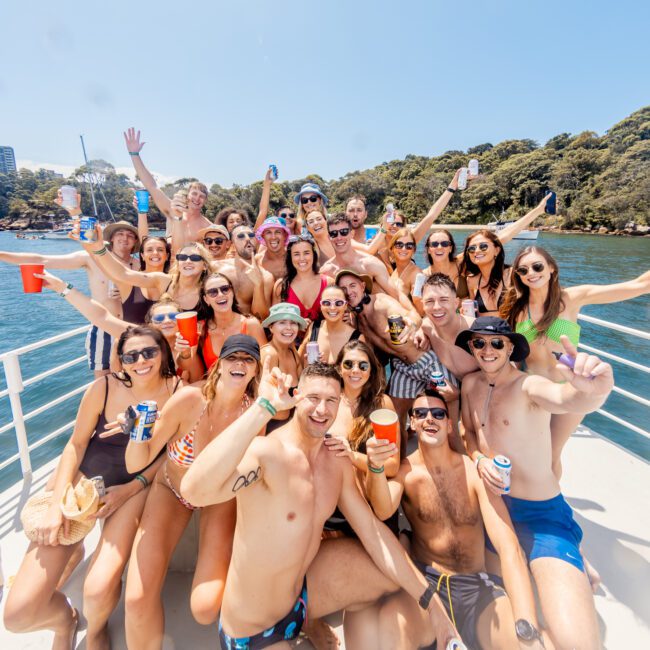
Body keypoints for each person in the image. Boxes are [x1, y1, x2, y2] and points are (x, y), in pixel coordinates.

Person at [181, 362, 460, 650]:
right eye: (313, 399)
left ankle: (365, 635)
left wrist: (434, 605)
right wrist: (263, 406)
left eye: (331, 401)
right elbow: (194, 491)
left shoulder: (335, 461)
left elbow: (373, 533)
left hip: (301, 596)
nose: (322, 410)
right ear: (297, 396)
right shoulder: (268, 454)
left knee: (394, 580)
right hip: (253, 629)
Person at [3, 327, 180, 650]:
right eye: (131, 356)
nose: (141, 361)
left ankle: (96, 629)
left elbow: (169, 452)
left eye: (150, 352)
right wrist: (57, 505)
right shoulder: (105, 387)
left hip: (131, 489)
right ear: (122, 362)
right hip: (82, 482)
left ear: (164, 353)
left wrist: (131, 489)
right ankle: (65, 620)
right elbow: (76, 443)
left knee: (97, 588)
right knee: (17, 615)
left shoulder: (178, 392)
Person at [458, 317, 613, 649]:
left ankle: (574, 555)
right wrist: (478, 459)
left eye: (497, 343)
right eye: (479, 343)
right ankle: (579, 563)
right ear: (471, 347)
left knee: (577, 644)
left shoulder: (527, 386)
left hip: (542, 519)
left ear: (511, 348)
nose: (487, 350)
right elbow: (469, 435)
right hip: (495, 514)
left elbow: (565, 398)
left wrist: (593, 392)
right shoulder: (469, 386)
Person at [365, 389, 545, 650]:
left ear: (449, 425)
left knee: (524, 643)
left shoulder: (472, 471)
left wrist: (527, 624)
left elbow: (509, 548)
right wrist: (376, 466)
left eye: (438, 414)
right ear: (412, 424)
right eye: (420, 413)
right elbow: (382, 510)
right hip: (428, 583)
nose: (430, 419)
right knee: (390, 622)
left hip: (478, 588)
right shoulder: (406, 470)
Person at [120, 335, 262, 650]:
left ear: (255, 370)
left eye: (248, 359)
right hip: (171, 490)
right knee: (136, 599)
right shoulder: (189, 401)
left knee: (205, 608)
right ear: (219, 364)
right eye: (232, 357)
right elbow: (137, 462)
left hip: (218, 498)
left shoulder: (253, 415)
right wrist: (136, 433)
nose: (239, 364)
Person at [500, 246, 650, 478]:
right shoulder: (517, 309)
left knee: (551, 455)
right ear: (518, 275)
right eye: (523, 269)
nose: (531, 272)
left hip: (569, 389)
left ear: (551, 268)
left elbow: (638, 285)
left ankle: (552, 504)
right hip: (533, 391)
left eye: (537, 266)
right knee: (531, 453)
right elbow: (514, 355)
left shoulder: (570, 298)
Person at [0, 201, 140, 377]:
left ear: (135, 242)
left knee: (134, 375)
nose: (124, 238)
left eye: (130, 235)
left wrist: (130, 289)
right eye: (120, 233)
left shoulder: (140, 265)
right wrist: (1, 254)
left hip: (131, 328)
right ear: (111, 238)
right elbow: (41, 259)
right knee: (103, 379)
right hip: (103, 328)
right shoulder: (92, 259)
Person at [336, 269, 438, 439]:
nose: (349, 292)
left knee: (443, 411)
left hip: (426, 359)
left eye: (352, 285)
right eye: (343, 289)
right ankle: (400, 459)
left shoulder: (381, 302)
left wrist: (411, 324)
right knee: (393, 420)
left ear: (362, 286)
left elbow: (411, 316)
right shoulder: (357, 320)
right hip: (403, 368)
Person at [33, 270, 189, 369]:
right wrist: (62, 287)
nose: (167, 320)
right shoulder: (142, 337)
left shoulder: (190, 341)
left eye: (174, 316)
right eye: (160, 318)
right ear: (150, 323)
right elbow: (102, 316)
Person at [78, 223, 212, 312]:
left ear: (204, 265)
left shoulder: (210, 289)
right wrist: (98, 248)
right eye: (182, 258)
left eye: (194, 258)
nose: (188, 261)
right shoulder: (165, 281)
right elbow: (123, 274)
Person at [460, 194, 552, 316]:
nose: (477, 251)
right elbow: (473, 315)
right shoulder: (471, 281)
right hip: (483, 333)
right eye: (471, 248)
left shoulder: (512, 275)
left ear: (496, 251)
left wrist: (538, 210)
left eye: (483, 246)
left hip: (512, 333)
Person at [414, 273, 476, 451]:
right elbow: (426, 321)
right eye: (429, 302)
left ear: (456, 303)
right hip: (457, 392)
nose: (436, 307)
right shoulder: (428, 327)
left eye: (443, 300)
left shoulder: (475, 332)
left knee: (467, 437)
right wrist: (420, 331)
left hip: (484, 393)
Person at [123, 128, 212, 243]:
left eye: (202, 196)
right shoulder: (172, 210)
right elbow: (152, 186)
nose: (197, 198)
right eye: (194, 193)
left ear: (205, 201)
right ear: (187, 195)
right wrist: (134, 154)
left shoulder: (208, 227)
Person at [180, 273, 266, 382]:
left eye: (225, 289)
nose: (220, 294)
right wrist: (185, 353)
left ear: (232, 293)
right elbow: (191, 369)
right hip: (212, 389)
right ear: (206, 300)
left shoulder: (251, 324)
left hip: (245, 388)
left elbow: (266, 362)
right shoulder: (201, 328)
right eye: (213, 292)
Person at [320, 213, 406, 303]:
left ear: (352, 234)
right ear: (329, 237)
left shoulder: (370, 264)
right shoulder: (326, 271)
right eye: (333, 234)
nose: (339, 237)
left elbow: (397, 295)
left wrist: (412, 313)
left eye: (344, 232)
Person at [260, 303, 305, 431]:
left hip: (292, 425)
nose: (289, 328)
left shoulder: (291, 351)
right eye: (282, 322)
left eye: (293, 323)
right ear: (271, 327)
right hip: (271, 426)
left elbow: (302, 386)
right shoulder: (269, 353)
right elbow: (260, 400)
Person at [214, 223, 274, 320]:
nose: (247, 239)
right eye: (241, 236)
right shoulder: (216, 268)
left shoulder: (266, 276)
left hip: (248, 329)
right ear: (231, 244)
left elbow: (262, 317)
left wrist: (258, 285)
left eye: (251, 235)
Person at [298, 284, 364, 364]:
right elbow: (298, 363)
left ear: (345, 306)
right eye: (327, 303)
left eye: (338, 303)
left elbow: (362, 371)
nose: (332, 307)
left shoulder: (357, 338)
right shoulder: (313, 328)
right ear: (321, 305)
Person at [272, 234, 330, 322]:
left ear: (313, 255)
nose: (302, 258)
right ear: (290, 257)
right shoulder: (281, 286)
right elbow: (275, 320)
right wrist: (297, 322)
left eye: (306, 253)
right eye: (296, 254)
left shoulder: (328, 283)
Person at [254, 167, 302, 236]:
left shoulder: (303, 237)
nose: (288, 217)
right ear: (277, 219)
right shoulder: (272, 240)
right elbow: (263, 212)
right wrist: (267, 184)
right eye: (283, 215)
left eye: (291, 215)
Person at [387, 228, 425, 312]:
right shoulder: (395, 271)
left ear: (414, 250)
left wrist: (417, 300)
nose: (404, 248)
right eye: (399, 245)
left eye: (409, 246)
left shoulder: (416, 275)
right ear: (392, 248)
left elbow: (422, 312)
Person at [255, 216, 290, 281]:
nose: (273, 237)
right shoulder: (257, 261)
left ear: (285, 235)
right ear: (263, 236)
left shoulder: (294, 257)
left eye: (278, 232)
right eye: (268, 232)